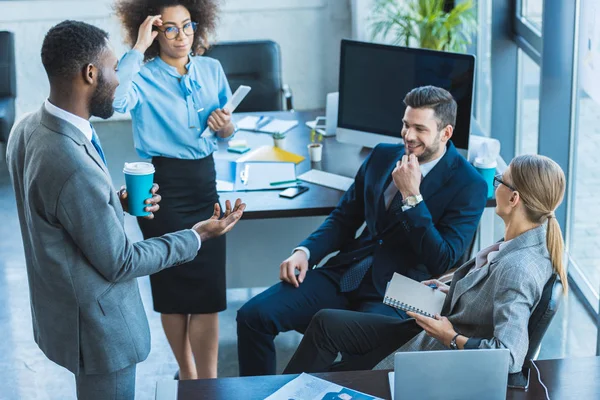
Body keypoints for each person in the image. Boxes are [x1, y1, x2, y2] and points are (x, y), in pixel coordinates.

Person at [6, 20, 244, 399]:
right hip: (99, 332)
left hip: (64, 315)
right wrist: (197, 235)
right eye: (115, 68)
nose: (119, 80)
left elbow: (53, 210)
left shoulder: (28, 128)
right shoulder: (71, 164)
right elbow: (121, 262)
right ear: (90, 73)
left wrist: (109, 203)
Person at [236, 86, 489, 376]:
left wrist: (412, 198)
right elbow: (345, 217)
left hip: (400, 292)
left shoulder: (470, 185)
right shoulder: (382, 155)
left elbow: (442, 260)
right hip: (346, 272)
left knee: (350, 366)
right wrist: (305, 251)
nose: (407, 135)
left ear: (445, 133)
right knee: (252, 316)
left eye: (420, 128)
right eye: (406, 124)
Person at [283, 154, 567, 375]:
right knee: (325, 323)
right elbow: (488, 298)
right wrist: (450, 291)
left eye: (500, 181)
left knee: (337, 369)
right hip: (428, 330)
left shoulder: (519, 267)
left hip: (437, 352)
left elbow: (509, 357)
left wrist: (450, 336)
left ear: (514, 198)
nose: (496, 186)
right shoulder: (526, 241)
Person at [112, 0, 233, 379]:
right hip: (162, 190)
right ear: (153, 32)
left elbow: (228, 133)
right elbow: (116, 101)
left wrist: (226, 127)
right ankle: (188, 376)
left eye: (187, 26)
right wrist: (135, 49)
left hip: (204, 183)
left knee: (208, 294)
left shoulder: (212, 69)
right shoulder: (143, 76)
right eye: (170, 28)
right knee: (174, 292)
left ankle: (208, 382)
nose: (181, 36)